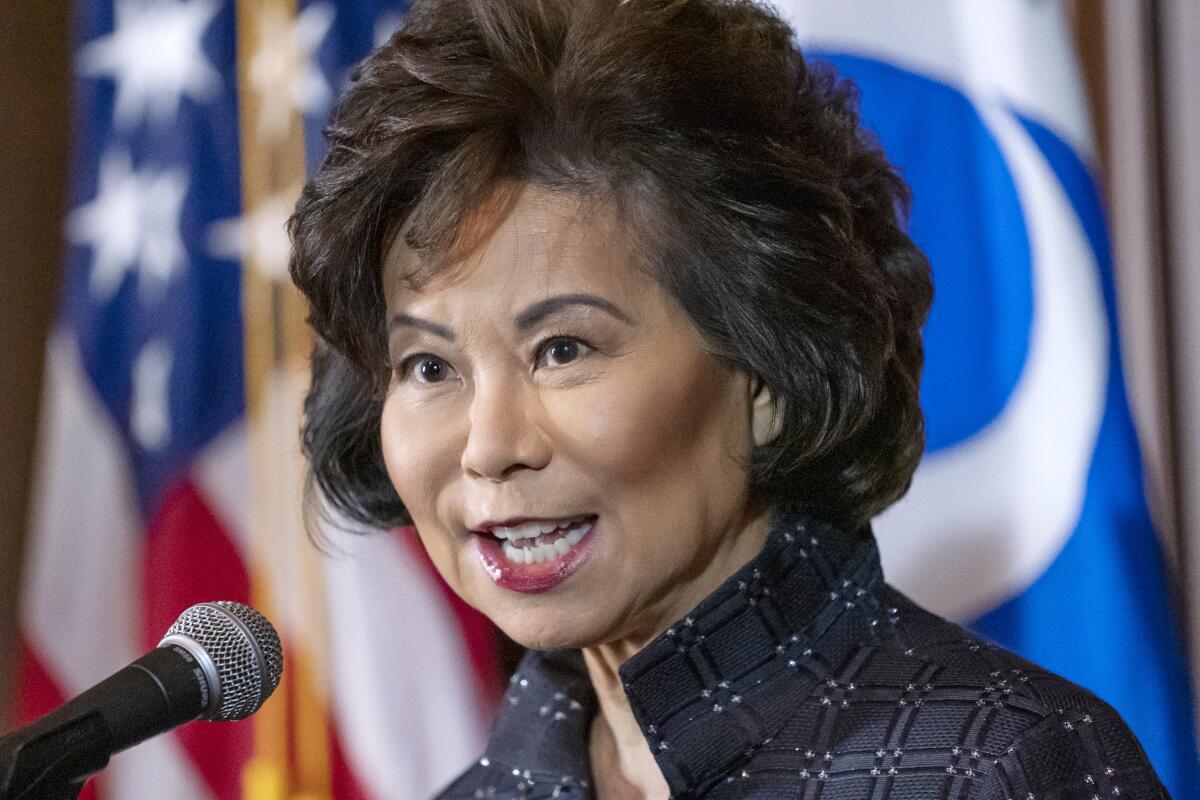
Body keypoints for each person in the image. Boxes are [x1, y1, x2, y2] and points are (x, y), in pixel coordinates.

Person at [287, 0, 1170, 797]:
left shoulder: (995, 767)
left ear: (769, 373)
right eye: (430, 368)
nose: (489, 446)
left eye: (563, 350)